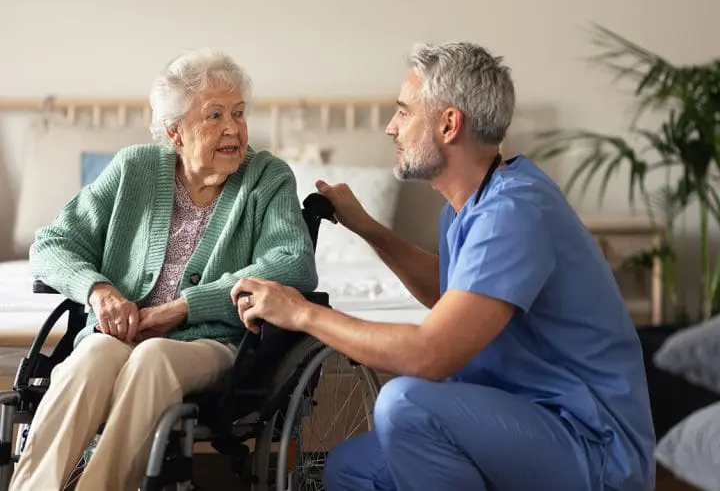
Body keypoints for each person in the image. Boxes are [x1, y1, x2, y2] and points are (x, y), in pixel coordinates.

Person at [231, 42, 657, 491]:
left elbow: (428, 355)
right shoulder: (469, 205)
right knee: (350, 469)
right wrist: (368, 229)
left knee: (405, 403)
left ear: (449, 124)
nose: (392, 128)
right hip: (526, 421)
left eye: (403, 112)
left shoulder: (513, 212)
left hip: (591, 444)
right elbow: (455, 294)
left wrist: (302, 312)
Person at [10, 49, 318, 491]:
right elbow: (52, 243)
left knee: (154, 357)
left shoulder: (267, 178)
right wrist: (99, 291)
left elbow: (293, 263)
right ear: (175, 132)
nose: (233, 128)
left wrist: (184, 308)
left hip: (214, 343)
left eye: (238, 113)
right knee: (91, 356)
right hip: (121, 335)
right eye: (214, 116)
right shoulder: (133, 168)